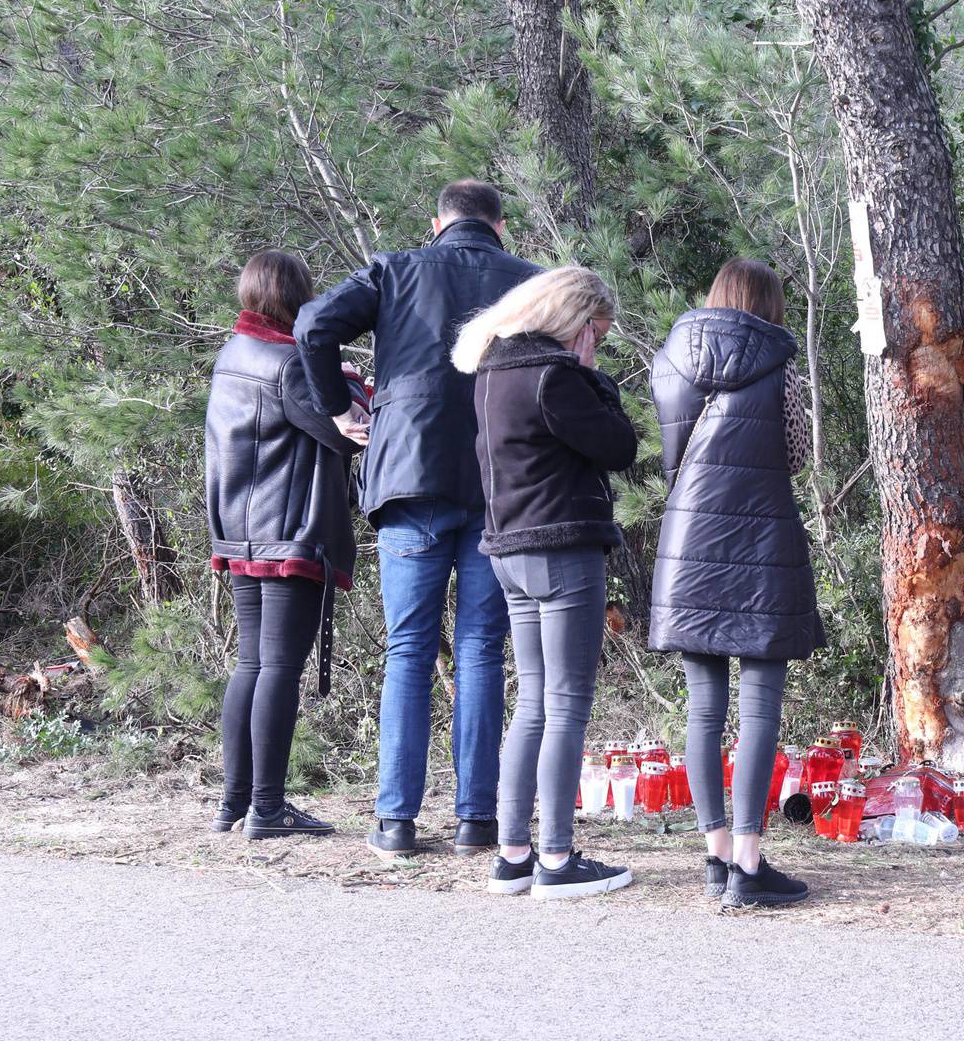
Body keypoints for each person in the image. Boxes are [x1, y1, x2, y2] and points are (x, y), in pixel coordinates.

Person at [293, 180, 538, 859]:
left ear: (437, 224)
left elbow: (312, 325)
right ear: (501, 225)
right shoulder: (531, 283)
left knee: (407, 649)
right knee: (483, 649)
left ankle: (397, 822)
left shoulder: (395, 269)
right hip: (500, 481)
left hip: (408, 476)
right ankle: (475, 822)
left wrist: (340, 409)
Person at [451, 266, 639, 899]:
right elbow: (618, 446)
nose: (598, 347)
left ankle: (512, 855)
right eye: (598, 334)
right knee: (566, 706)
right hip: (560, 547)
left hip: (508, 548)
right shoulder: (556, 378)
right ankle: (557, 859)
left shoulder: (492, 371)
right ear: (577, 323)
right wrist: (593, 376)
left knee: (533, 703)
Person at [649, 259, 823, 908]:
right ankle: (749, 863)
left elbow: (670, 455)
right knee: (759, 710)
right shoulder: (779, 367)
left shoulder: (672, 360)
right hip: (761, 544)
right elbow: (798, 455)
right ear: (769, 307)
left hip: (691, 543)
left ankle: (716, 856)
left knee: (702, 708)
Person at [205, 251, 367, 840]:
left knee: (251, 662)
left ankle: (234, 803)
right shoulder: (290, 366)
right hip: (291, 533)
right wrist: (348, 380)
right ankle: (268, 808)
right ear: (298, 297)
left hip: (241, 530)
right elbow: (349, 430)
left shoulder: (233, 356)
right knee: (277, 666)